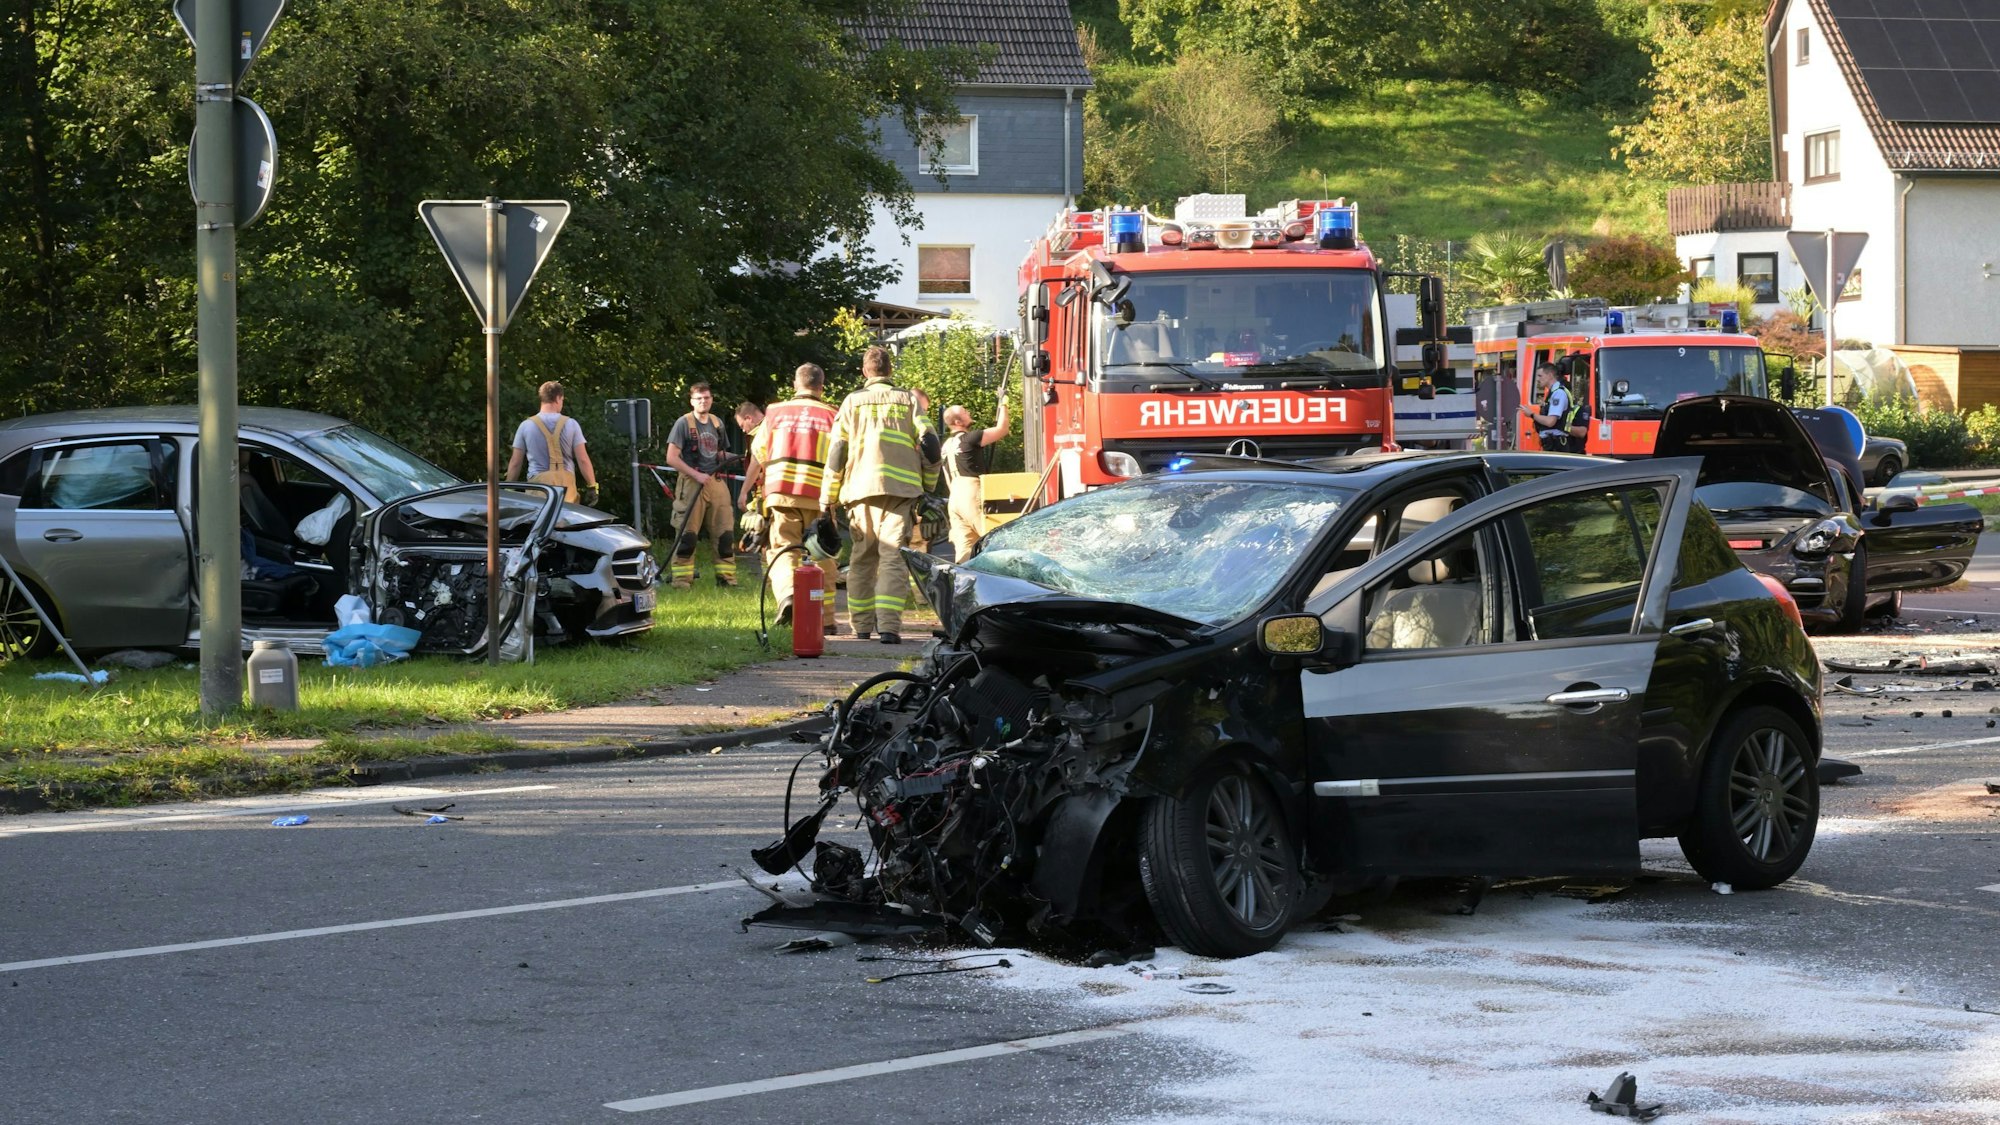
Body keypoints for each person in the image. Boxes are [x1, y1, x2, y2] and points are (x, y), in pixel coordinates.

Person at [822, 346, 940, 644]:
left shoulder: (852, 402)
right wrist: (929, 486)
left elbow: (837, 452)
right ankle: (889, 628)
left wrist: (828, 497)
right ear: (890, 371)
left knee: (862, 558)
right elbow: (930, 443)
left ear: (865, 372)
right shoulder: (908, 400)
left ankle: (861, 627)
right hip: (901, 492)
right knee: (892, 558)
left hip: (860, 490)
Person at [745, 365, 836, 628]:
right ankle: (826, 620)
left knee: (783, 549)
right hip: (819, 496)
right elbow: (843, 455)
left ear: (795, 384)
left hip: (781, 493)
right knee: (823, 554)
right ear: (821, 386)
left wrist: (750, 490)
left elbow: (759, 452)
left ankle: (788, 594)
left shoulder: (774, 412)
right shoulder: (833, 414)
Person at [664, 382, 738, 588]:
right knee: (687, 536)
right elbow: (671, 457)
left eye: (706, 398)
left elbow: (719, 453)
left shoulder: (717, 423)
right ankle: (681, 581)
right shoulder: (683, 423)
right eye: (699, 398)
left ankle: (727, 580)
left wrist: (742, 458)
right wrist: (696, 475)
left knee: (725, 535)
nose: (703, 401)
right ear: (692, 401)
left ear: (711, 399)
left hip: (715, 482)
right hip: (691, 484)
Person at [938, 387, 1011, 561]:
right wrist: (1004, 402)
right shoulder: (970, 439)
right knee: (994, 539)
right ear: (958, 421)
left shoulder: (946, 445)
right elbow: (1002, 429)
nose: (968, 412)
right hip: (970, 494)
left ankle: (962, 585)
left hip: (954, 498)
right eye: (964, 412)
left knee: (964, 550)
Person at [506, 381, 598, 505]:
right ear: (558, 398)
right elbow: (583, 459)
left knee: (541, 522)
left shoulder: (526, 426)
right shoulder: (571, 424)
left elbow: (516, 463)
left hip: (538, 487)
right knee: (565, 522)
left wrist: (508, 488)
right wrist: (592, 486)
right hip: (566, 488)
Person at [1519, 363, 1574, 453]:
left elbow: (1550, 422)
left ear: (1550, 375)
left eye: (1540, 376)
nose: (1538, 379)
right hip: (1553, 443)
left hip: (1556, 445)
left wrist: (1531, 414)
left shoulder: (1558, 393)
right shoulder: (1552, 392)